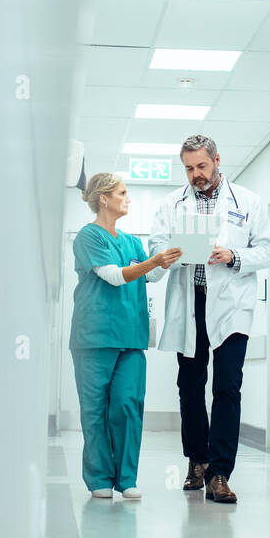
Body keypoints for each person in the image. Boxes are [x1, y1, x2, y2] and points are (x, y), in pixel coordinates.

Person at [148, 135, 270, 504]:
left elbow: (266, 249)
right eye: (189, 168)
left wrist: (233, 254)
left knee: (227, 389)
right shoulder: (171, 204)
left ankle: (220, 473)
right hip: (190, 305)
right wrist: (166, 254)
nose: (196, 175)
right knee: (189, 388)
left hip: (232, 308)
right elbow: (155, 246)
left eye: (202, 166)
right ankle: (197, 461)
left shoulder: (248, 202)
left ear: (217, 160)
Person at [70, 173, 181, 500]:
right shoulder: (88, 237)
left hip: (131, 338)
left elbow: (152, 274)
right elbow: (115, 277)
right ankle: (99, 478)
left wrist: (173, 256)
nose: (128, 198)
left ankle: (126, 478)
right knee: (95, 410)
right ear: (103, 198)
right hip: (94, 337)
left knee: (128, 406)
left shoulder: (133, 242)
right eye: (122, 192)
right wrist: (153, 262)